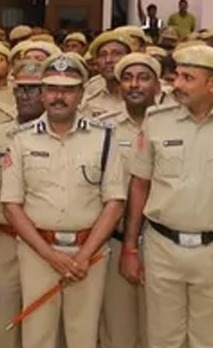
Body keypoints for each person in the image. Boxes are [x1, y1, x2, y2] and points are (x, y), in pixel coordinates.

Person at [1, 53, 126, 348]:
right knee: (37, 337)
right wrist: (49, 255)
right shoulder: (20, 138)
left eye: (68, 90)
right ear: (42, 93)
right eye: (52, 89)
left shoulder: (104, 137)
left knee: (83, 336)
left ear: (81, 94)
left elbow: (115, 203)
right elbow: (11, 206)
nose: (59, 96)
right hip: (37, 252)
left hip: (89, 254)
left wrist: (84, 255)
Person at [124, 45, 213, 347]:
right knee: (163, 338)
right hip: (163, 248)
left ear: (211, 84)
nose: (177, 85)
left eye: (188, 78)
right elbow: (140, 185)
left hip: (211, 252)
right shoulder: (157, 120)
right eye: (177, 76)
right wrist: (130, 247)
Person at [96, 53, 160, 348]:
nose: (135, 84)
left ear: (157, 85)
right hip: (115, 241)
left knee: (159, 332)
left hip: (162, 242)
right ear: (119, 85)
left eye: (144, 78)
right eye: (128, 78)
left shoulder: (171, 124)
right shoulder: (102, 128)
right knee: (117, 332)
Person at [0, 59, 47, 348]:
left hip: (46, 242)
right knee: (2, 322)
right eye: (21, 89)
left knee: (43, 324)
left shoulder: (61, 133)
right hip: (4, 238)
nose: (26, 95)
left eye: (34, 89)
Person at [82, 31, 135, 117]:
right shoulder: (89, 100)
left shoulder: (148, 97)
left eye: (116, 54)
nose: (108, 60)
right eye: (103, 55)